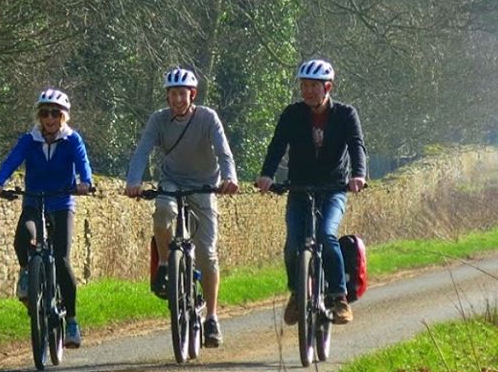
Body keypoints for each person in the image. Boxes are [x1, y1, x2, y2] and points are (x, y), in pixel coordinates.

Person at [125, 67, 239, 348]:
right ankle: (165, 264)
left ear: (192, 95)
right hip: (172, 182)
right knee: (162, 214)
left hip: (204, 186)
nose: (177, 99)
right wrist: (133, 181)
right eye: (172, 94)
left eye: (182, 94)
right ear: (167, 96)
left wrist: (229, 178)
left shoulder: (207, 118)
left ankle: (211, 317)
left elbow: (223, 151)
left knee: (206, 254)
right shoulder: (158, 120)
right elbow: (142, 150)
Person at [255, 59, 366, 325]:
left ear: (328, 87)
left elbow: (356, 146)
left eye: (313, 86)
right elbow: (277, 146)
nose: (307, 91)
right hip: (299, 187)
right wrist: (267, 175)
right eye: (304, 85)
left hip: (333, 188)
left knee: (326, 235)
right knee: (294, 243)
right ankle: (297, 293)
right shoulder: (292, 114)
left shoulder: (345, 114)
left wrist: (358, 175)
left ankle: (339, 298)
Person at [0, 88, 93, 349]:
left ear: (64, 117)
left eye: (55, 113)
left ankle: (71, 321)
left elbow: (83, 163)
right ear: (39, 116)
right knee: (24, 235)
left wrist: (85, 182)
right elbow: (12, 161)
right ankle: (27, 273)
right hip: (34, 200)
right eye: (45, 113)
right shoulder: (29, 140)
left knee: (61, 258)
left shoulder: (72, 140)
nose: (49, 118)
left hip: (61, 202)